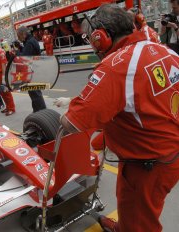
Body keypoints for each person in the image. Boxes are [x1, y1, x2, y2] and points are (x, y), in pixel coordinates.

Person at [59, 4, 179, 232]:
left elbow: (73, 123)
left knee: (141, 223)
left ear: (101, 37)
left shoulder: (116, 67)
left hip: (147, 164)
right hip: (166, 152)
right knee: (132, 207)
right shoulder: (165, 50)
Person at [16, 26, 47, 113]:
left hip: (32, 72)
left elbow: (24, 58)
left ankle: (42, 112)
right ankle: (37, 111)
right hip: (34, 70)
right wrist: (21, 48)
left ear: (23, 34)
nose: (18, 38)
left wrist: (16, 51)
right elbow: (28, 53)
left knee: (35, 94)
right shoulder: (31, 40)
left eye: (18, 36)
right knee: (34, 93)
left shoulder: (29, 42)